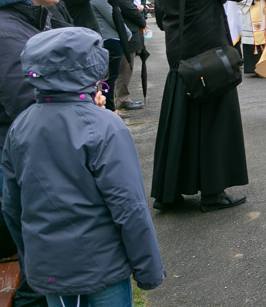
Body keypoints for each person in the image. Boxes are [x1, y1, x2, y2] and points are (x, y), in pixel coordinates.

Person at [2, 28, 165, 307]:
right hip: (103, 264)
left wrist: (31, 261)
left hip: (50, 267)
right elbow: (129, 206)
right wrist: (148, 270)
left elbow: (12, 205)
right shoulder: (105, 127)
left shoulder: (20, 127)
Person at [151, 0, 249, 212]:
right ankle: (213, 193)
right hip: (207, 59)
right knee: (214, 123)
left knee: (180, 126)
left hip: (179, 56)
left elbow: (160, 14)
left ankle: (168, 194)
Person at [0, 0, 63, 307]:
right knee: (40, 266)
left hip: (30, 154)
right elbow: (27, 101)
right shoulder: (9, 34)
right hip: (27, 159)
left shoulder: (27, 18)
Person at [112, 0, 147, 112]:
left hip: (127, 34)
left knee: (125, 69)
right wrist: (143, 22)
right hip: (128, 36)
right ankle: (123, 100)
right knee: (126, 69)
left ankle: (121, 98)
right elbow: (132, 11)